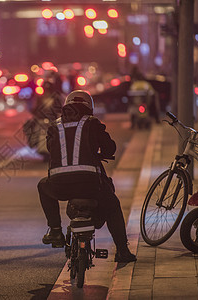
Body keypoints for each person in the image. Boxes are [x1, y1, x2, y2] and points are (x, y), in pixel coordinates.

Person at [37, 90, 137, 263]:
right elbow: (109, 148)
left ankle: (54, 230)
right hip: (90, 184)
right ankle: (122, 251)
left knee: (42, 186)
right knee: (112, 205)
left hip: (58, 185)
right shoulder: (92, 123)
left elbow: (51, 149)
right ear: (89, 107)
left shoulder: (55, 126)